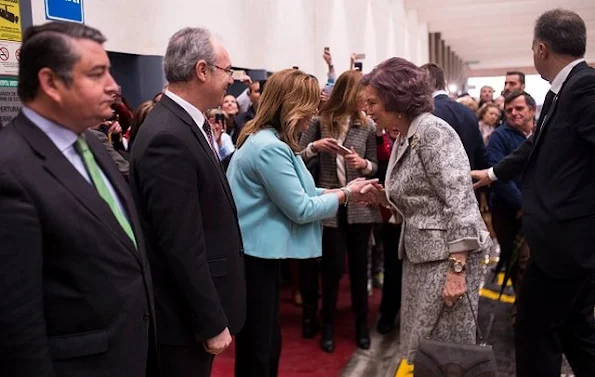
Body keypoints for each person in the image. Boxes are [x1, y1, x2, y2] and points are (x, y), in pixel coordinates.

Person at [0, 22, 156, 377]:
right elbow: (16, 322)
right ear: (51, 83)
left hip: (131, 351)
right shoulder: (10, 170)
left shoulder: (94, 148)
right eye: (97, 74)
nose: (114, 87)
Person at [227, 68, 377, 377]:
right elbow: (302, 207)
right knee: (259, 350)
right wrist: (346, 194)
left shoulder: (267, 140)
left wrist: (343, 192)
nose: (312, 117)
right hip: (255, 258)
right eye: (309, 109)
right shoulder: (270, 148)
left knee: (267, 344)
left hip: (258, 256)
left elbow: (304, 191)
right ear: (291, 106)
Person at [471, 9, 595, 376]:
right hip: (564, 241)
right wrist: (492, 174)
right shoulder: (561, 91)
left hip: (565, 241)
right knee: (575, 330)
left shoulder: (583, 87)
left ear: (541, 48)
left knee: (534, 331)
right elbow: (534, 147)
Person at [129, 27, 245, 377]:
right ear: (202, 70)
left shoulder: (183, 124)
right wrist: (210, 321)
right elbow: (181, 243)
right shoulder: (168, 136)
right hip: (181, 321)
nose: (231, 80)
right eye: (227, 70)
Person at [361, 57, 491, 362]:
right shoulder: (407, 134)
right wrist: (383, 197)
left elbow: (460, 202)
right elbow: (423, 200)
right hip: (424, 259)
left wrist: (457, 271)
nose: (367, 110)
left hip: (445, 262)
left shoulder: (433, 132)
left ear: (395, 99)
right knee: (424, 351)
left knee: (442, 354)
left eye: (372, 102)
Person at [299, 70, 381, 353]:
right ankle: (328, 324)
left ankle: (361, 324)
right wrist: (314, 146)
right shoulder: (321, 122)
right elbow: (296, 156)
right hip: (330, 203)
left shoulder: (368, 126)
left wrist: (364, 165)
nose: (368, 100)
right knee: (332, 270)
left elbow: (375, 166)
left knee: (360, 269)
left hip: (359, 207)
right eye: (364, 94)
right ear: (350, 92)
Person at [422, 63, 488, 171]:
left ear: (428, 83)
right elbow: (479, 152)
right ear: (445, 83)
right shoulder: (468, 111)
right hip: (468, 177)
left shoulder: (427, 113)